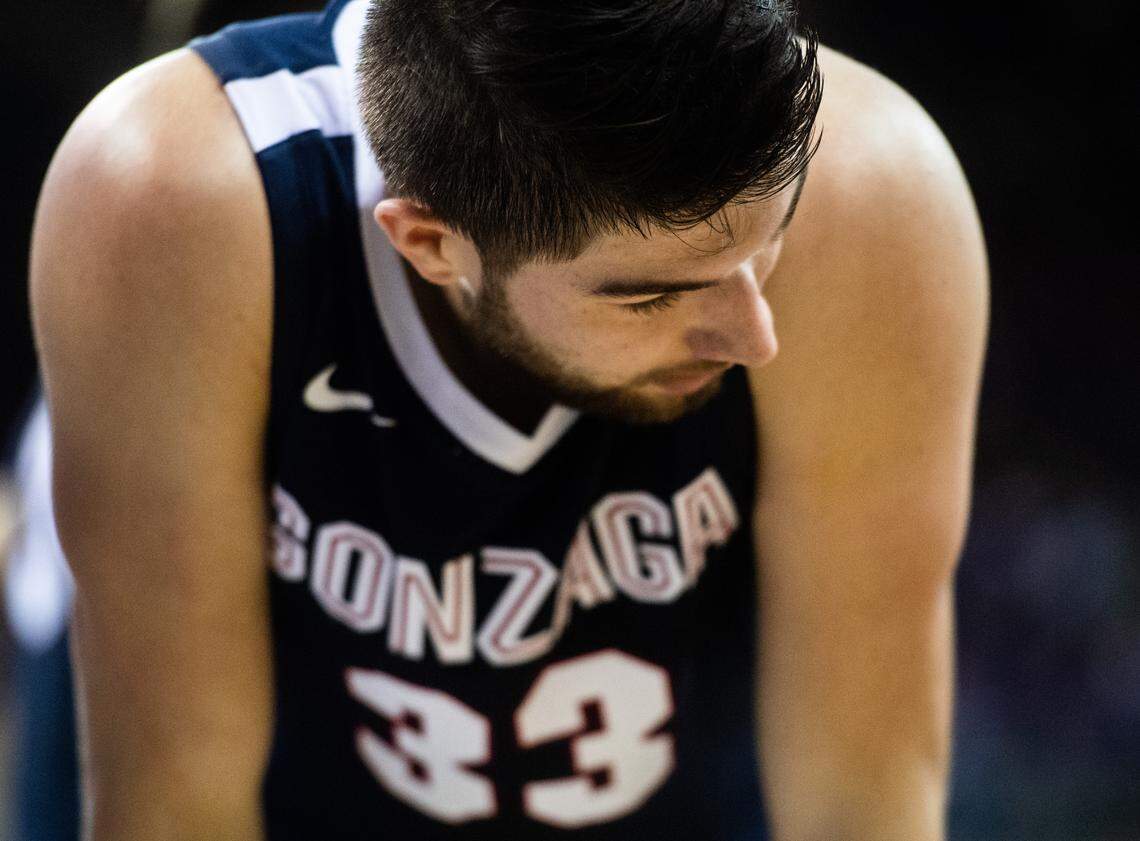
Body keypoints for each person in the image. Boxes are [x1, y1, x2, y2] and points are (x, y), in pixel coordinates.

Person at [29, 0, 988, 837]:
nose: (755, 336)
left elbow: (862, 802)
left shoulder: (871, 197)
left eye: (769, 242)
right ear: (432, 242)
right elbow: (179, 803)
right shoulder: (172, 208)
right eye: (653, 297)